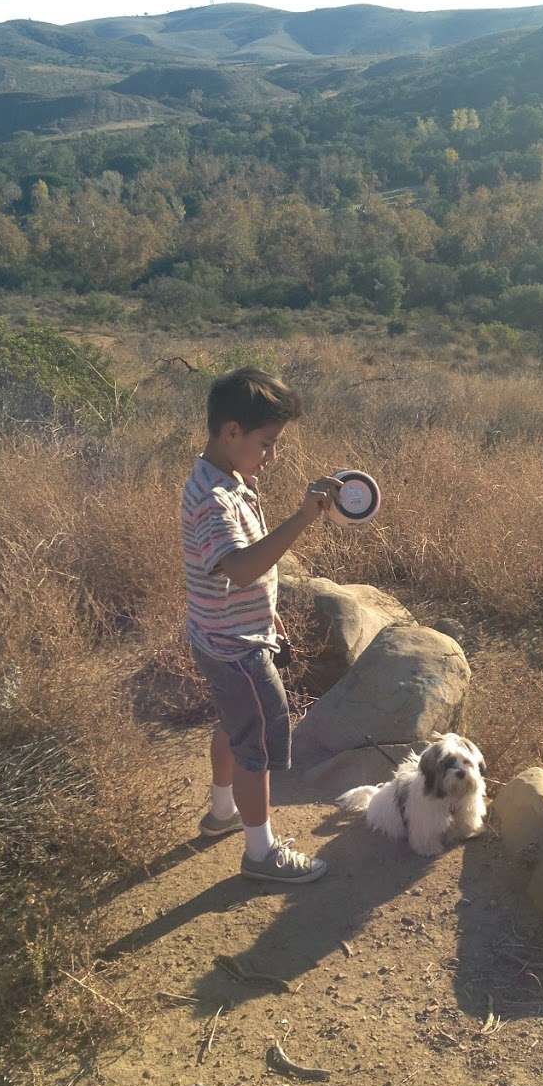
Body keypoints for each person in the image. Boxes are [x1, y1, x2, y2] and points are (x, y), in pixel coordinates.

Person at [180, 366, 342, 884]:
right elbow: (244, 566)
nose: (272, 456)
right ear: (231, 432)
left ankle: (222, 811)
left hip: (219, 632)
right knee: (257, 745)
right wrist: (303, 518)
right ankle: (260, 853)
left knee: (234, 722)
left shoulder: (226, 478)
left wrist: (264, 611)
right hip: (235, 648)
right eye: (267, 443)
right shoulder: (213, 501)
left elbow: (239, 575)